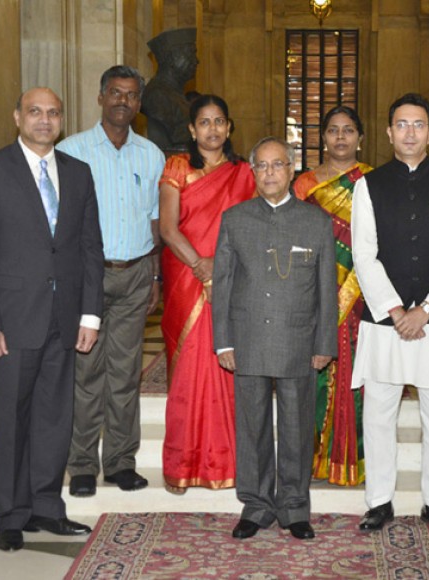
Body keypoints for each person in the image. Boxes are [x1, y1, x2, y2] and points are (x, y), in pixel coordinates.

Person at [0, 87, 104, 552]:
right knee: (10, 420)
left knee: (54, 419)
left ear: (62, 120)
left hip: (64, 319)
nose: (45, 119)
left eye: (53, 112)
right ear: (17, 116)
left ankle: (46, 506)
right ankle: (9, 515)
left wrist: (90, 314)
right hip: (10, 322)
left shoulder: (78, 173)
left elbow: (89, 248)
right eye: (35, 111)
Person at [351, 93, 429, 536]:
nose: (410, 132)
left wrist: (426, 309)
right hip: (384, 319)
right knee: (379, 412)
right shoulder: (368, 186)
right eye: (401, 124)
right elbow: (364, 254)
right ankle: (379, 501)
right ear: (388, 133)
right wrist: (394, 309)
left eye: (418, 124)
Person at [213, 136, 337, 540]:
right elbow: (223, 285)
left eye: (277, 164)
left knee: (296, 427)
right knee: (253, 427)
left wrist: (324, 343)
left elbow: (326, 289)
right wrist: (223, 341)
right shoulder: (235, 219)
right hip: (247, 338)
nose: (269, 173)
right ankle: (256, 505)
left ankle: (295, 507)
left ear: (292, 169)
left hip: (299, 339)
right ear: (253, 171)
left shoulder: (315, 221)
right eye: (262, 166)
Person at [57, 65, 165, 497]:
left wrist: (154, 273)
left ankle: (120, 461)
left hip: (135, 273)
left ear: (139, 103)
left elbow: (154, 219)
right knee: (86, 372)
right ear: (101, 97)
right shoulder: (71, 151)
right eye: (116, 93)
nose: (124, 101)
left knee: (125, 373)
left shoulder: (151, 155)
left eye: (132, 95)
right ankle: (82, 464)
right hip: (88, 275)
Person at [158, 94, 255, 494]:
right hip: (185, 277)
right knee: (188, 368)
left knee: (225, 367)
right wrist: (202, 265)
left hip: (231, 278)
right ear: (192, 129)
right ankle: (182, 464)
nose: (212, 129)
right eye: (204, 122)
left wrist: (221, 268)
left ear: (229, 128)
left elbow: (252, 228)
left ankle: (225, 462)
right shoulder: (177, 167)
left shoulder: (244, 173)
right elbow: (167, 228)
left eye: (219, 122)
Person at [293, 105, 372, 486]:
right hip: (312, 292)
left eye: (348, 130)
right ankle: (311, 457)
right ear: (322, 137)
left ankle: (350, 459)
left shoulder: (373, 182)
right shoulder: (304, 185)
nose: (341, 137)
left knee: (358, 376)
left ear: (361, 137)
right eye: (333, 130)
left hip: (362, 293)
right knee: (314, 376)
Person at [142, 28, 199, 152]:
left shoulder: (175, 93)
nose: (197, 61)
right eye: (191, 54)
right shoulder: (158, 96)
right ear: (174, 57)